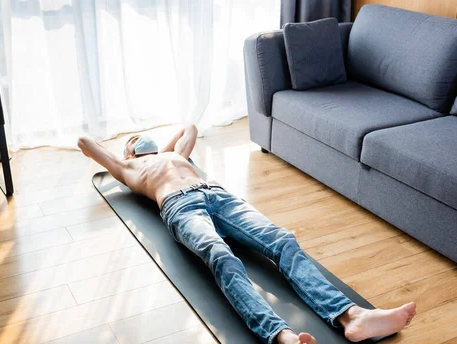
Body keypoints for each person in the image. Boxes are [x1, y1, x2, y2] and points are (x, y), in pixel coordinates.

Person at [78, 124, 416, 344]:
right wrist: (128, 151)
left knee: (282, 240)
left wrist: (161, 147)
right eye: (136, 140)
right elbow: (85, 141)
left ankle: (352, 316)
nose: (142, 139)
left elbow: (189, 128)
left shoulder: (174, 156)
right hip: (182, 208)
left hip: (218, 194)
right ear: (128, 153)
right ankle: (280, 336)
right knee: (221, 255)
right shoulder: (128, 168)